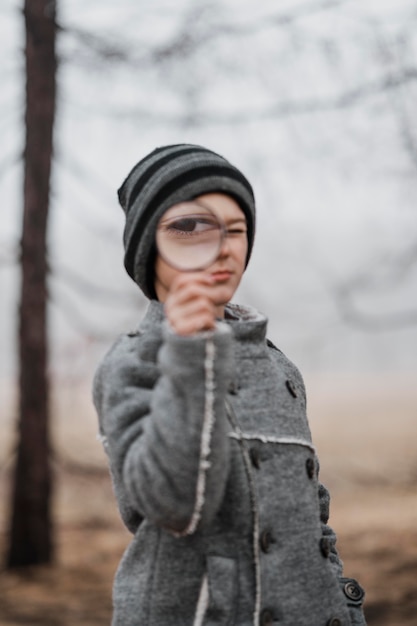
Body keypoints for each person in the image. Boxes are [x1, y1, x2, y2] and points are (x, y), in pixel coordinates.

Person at [93, 144, 367, 626]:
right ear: (148, 248)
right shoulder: (133, 362)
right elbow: (176, 508)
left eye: (235, 230)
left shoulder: (279, 366)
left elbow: (313, 519)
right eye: (189, 227)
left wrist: (343, 606)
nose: (221, 247)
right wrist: (189, 353)